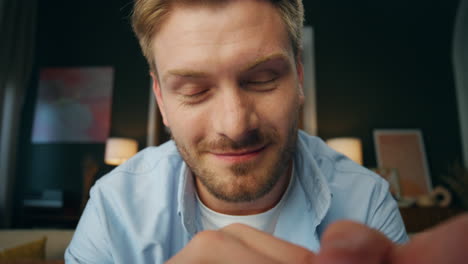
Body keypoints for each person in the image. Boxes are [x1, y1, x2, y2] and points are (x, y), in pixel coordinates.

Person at [65, 0, 468, 263]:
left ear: (298, 75)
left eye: (261, 80)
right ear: (161, 98)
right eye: (195, 90)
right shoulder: (113, 207)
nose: (235, 124)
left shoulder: (366, 201)